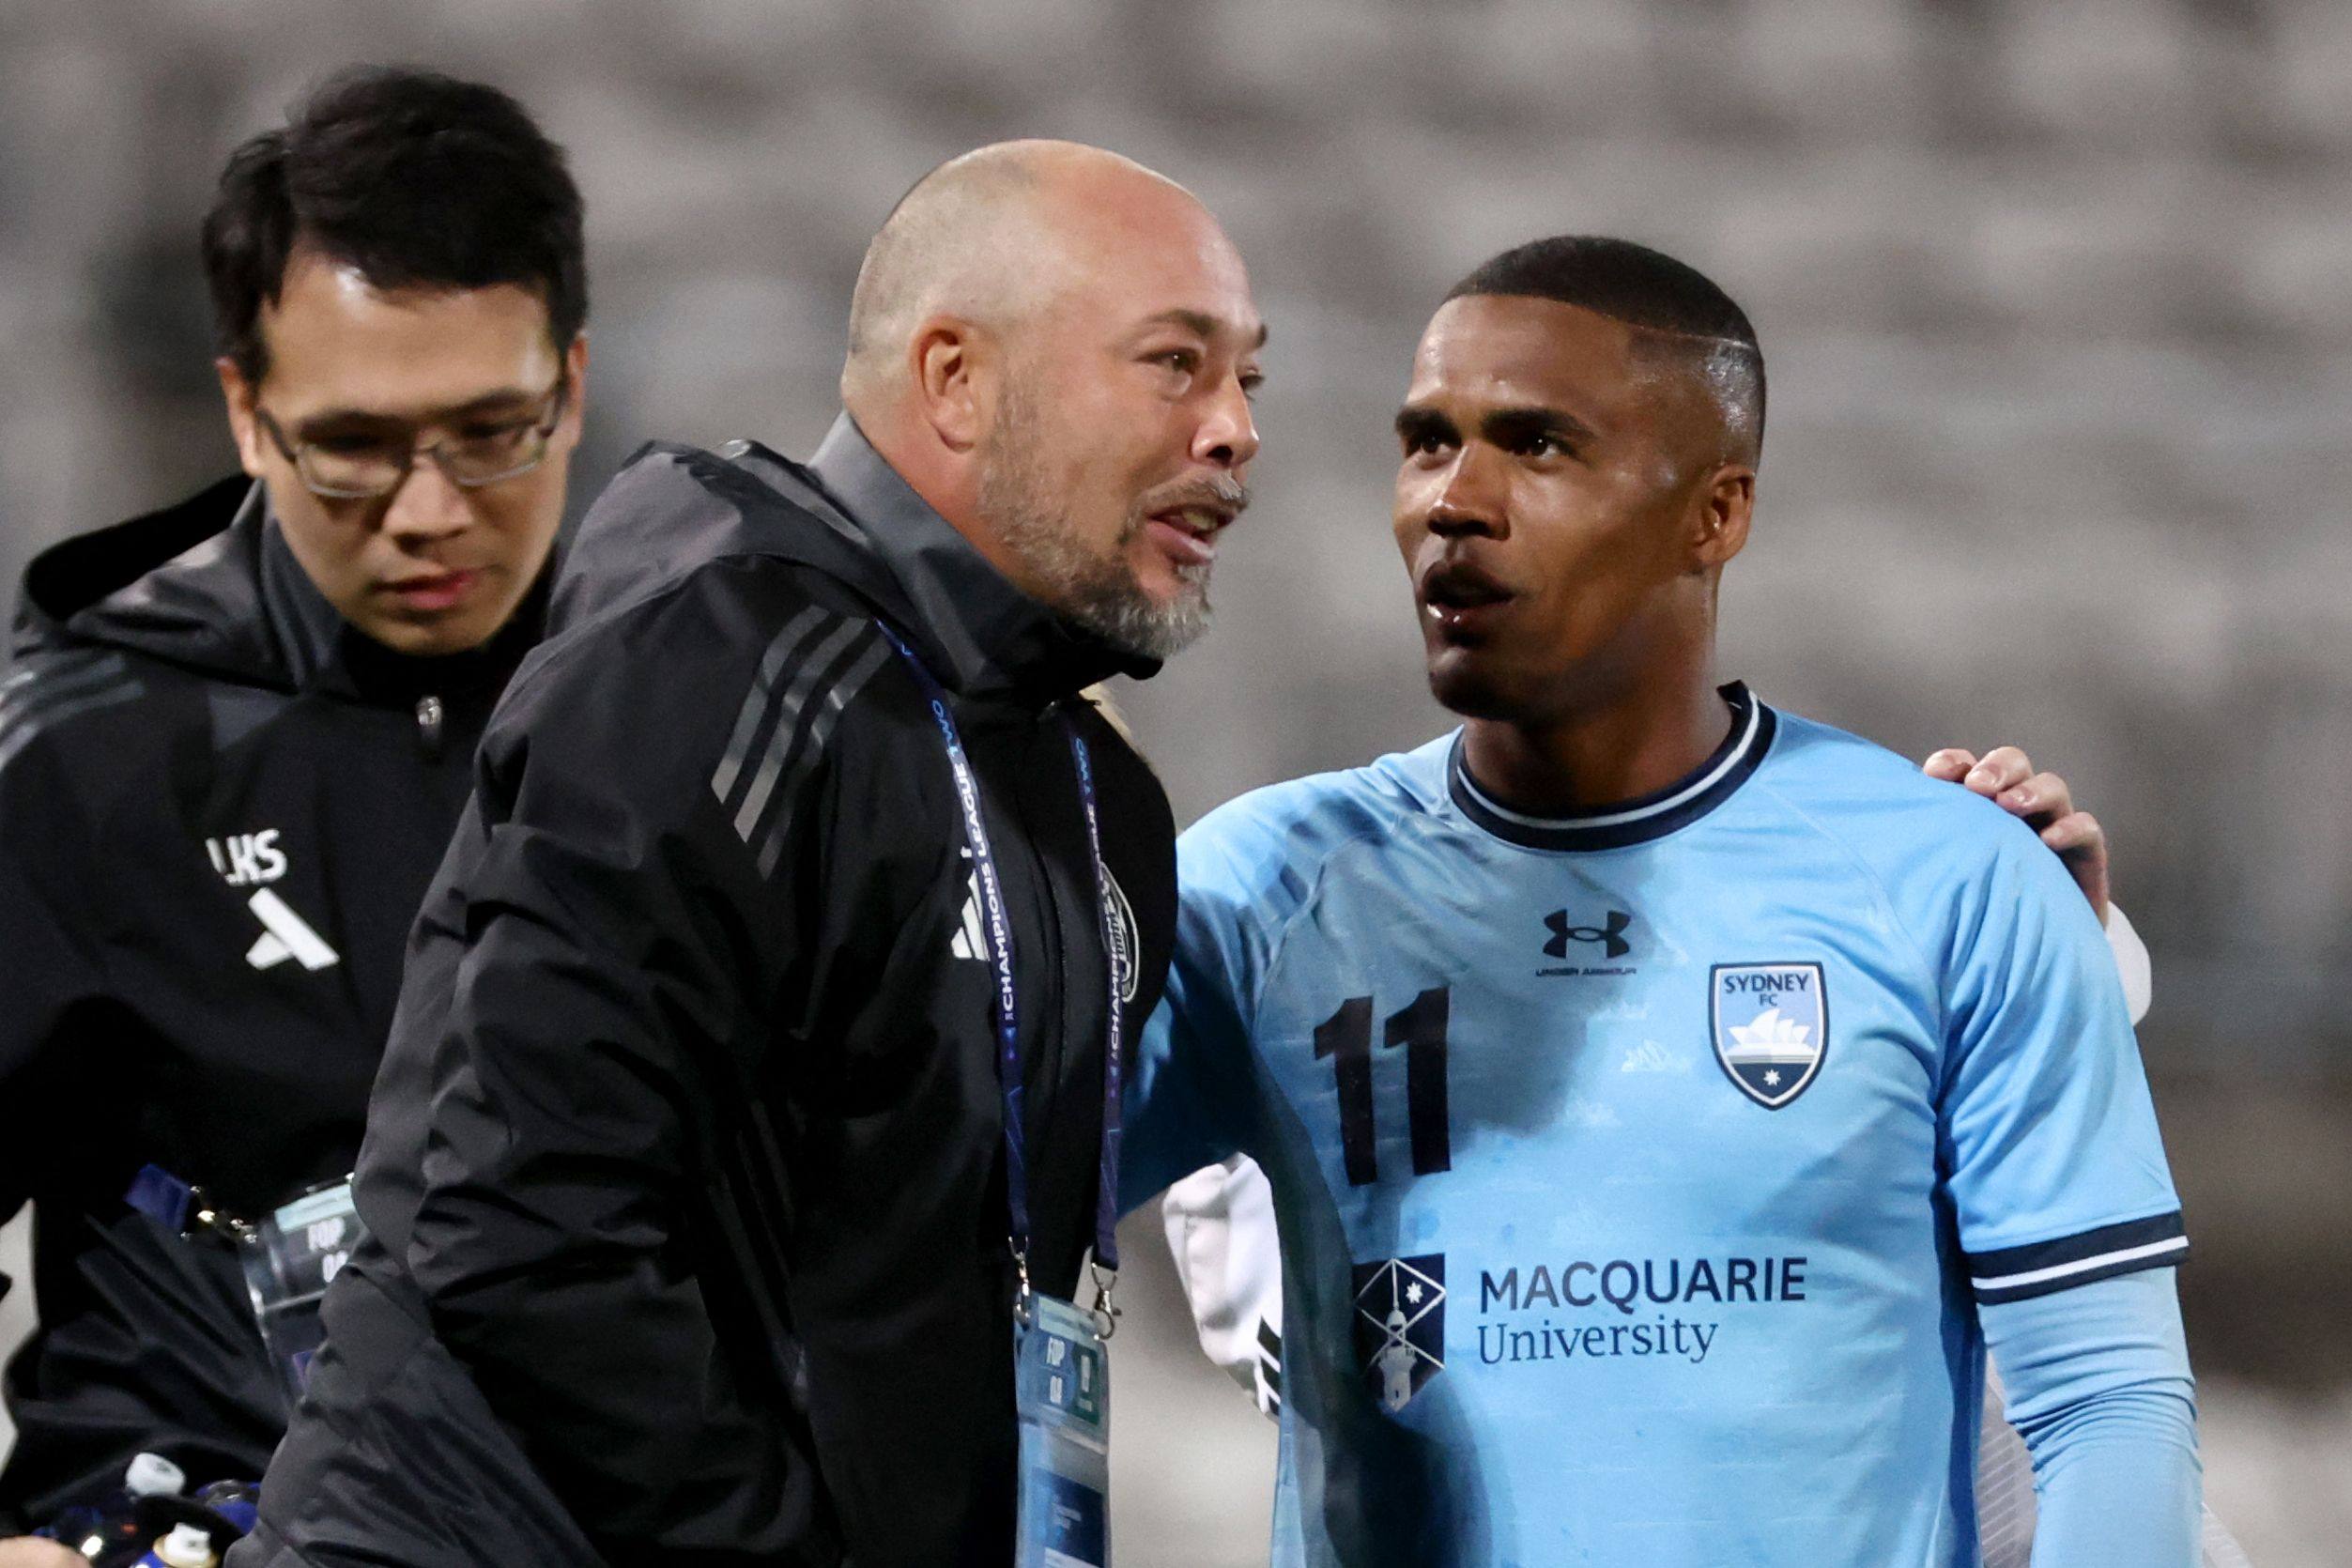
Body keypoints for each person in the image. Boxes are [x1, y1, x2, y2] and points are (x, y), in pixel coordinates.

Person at [234, 139, 1263, 1567]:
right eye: (1174, 364)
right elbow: (524, 1226)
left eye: (1247, 380)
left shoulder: (1095, 801)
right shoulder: (721, 663)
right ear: (957, 378)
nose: (1231, 431)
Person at [1121, 236, 2200, 1565]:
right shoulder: (1259, 893)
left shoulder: (1954, 880)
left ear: (1716, 512)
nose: (1453, 498)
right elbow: (949, 1195)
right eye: (1425, 442)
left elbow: (2107, 1404)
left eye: (1536, 444)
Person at [0, 68, 587, 1561]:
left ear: (573, 385)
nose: (431, 508)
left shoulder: (678, 725)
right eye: (356, 445)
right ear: (245, 413)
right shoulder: (80, 749)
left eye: (493, 432)